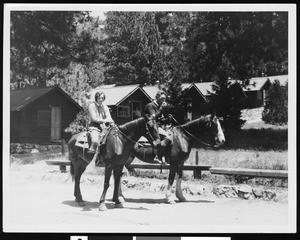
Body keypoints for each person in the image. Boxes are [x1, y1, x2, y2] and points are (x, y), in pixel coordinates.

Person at [144, 90, 172, 164]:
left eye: (165, 99)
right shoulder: (150, 105)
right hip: (150, 127)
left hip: (157, 126)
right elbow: (153, 117)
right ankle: (157, 156)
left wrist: (168, 119)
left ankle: (164, 156)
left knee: (171, 137)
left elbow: (161, 120)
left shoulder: (158, 107)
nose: (164, 100)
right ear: (157, 97)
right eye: (162, 98)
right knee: (167, 138)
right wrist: (161, 109)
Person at [87, 91, 115, 155]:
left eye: (102, 98)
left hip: (104, 128)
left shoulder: (105, 107)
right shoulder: (92, 106)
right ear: (96, 98)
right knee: (95, 140)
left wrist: (112, 123)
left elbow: (109, 117)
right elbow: (94, 118)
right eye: (99, 98)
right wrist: (104, 120)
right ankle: (91, 154)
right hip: (94, 127)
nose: (101, 99)